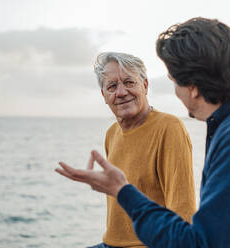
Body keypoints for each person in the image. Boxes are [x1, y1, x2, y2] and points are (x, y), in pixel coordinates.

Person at [56, 18, 230, 247]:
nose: (175, 92)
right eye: (112, 86)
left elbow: (197, 244)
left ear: (193, 87)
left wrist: (122, 190)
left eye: (173, 81)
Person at [57, 52, 196, 247]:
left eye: (129, 82)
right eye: (112, 86)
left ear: (145, 86)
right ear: (104, 95)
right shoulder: (112, 133)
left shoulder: (169, 128)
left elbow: (184, 211)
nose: (121, 92)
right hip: (110, 243)